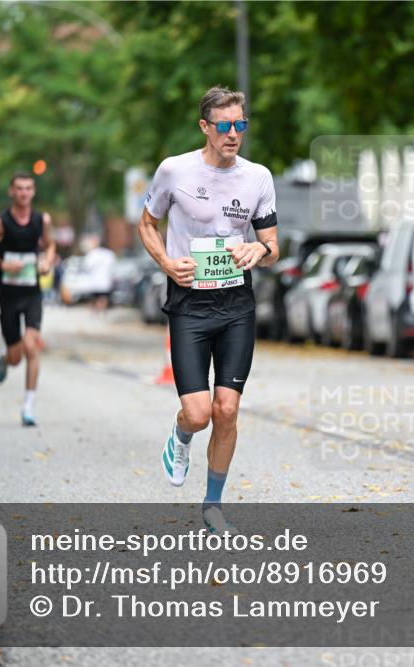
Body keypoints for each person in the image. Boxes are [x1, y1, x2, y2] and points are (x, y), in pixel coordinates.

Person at [138, 86, 279, 534]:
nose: (234, 134)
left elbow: (273, 245)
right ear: (206, 127)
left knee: (227, 408)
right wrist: (166, 262)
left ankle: (213, 505)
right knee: (198, 413)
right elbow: (147, 223)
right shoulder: (174, 170)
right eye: (225, 126)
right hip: (189, 303)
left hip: (236, 303)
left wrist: (259, 251)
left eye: (241, 124)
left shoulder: (258, 177)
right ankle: (180, 438)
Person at [0, 172, 56, 426]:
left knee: (31, 346)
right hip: (8, 295)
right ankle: (5, 358)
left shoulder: (42, 219)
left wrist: (46, 261)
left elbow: (51, 246)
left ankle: (28, 407)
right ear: (11, 192)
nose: (23, 193)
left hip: (32, 293)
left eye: (28, 188)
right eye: (19, 188)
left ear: (33, 192)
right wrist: (1, 264)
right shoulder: (0, 222)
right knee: (16, 357)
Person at [82, 237, 116, 313]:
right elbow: (112, 266)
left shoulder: (92, 254)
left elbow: (86, 266)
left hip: (94, 281)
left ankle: (97, 311)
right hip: (105, 281)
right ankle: (101, 310)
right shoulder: (109, 254)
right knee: (103, 298)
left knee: (96, 298)